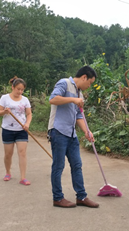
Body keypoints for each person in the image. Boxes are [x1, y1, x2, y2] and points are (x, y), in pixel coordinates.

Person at [48, 66, 100, 208]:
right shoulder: (64, 83)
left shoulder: (79, 94)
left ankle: (81, 197)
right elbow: (52, 99)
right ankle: (58, 198)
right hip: (58, 131)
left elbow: (78, 115)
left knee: (77, 165)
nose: (89, 86)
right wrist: (73, 99)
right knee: (58, 166)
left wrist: (86, 131)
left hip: (71, 134)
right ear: (84, 77)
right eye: (89, 83)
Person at [0, 76, 32, 185]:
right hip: (8, 130)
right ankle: (8, 172)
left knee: (22, 153)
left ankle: (23, 177)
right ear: (12, 87)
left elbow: (29, 114)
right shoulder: (4, 98)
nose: (20, 92)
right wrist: (4, 112)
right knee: (8, 154)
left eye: (22, 90)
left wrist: (27, 124)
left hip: (21, 129)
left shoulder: (25, 100)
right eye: (18, 89)